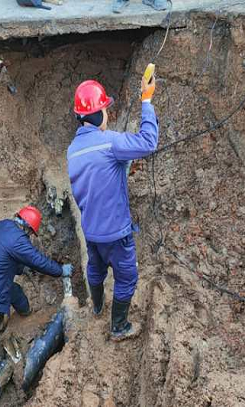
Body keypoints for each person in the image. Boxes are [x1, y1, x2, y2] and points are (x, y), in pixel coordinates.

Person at [66, 74, 158, 341]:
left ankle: (96, 307)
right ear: (97, 114)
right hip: (117, 234)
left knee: (95, 269)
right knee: (127, 277)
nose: (107, 113)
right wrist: (147, 99)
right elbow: (148, 142)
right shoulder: (110, 143)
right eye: (104, 108)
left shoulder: (72, 150)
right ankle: (118, 327)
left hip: (92, 232)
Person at [0, 205, 74, 335]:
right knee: (13, 292)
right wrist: (60, 270)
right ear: (28, 228)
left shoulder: (2, 224)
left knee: (5, 290)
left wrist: (21, 268)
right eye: (31, 233)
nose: (30, 235)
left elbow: (4, 254)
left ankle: (1, 314)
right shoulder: (18, 240)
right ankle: (13, 320)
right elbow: (38, 261)